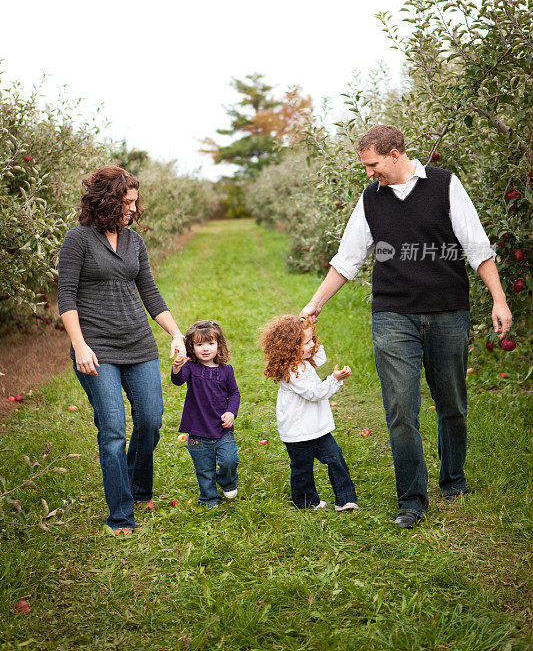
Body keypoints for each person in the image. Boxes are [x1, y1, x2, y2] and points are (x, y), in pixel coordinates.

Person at [300, 125, 512, 528]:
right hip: (393, 315)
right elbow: (347, 260)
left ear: (395, 155)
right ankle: (412, 500)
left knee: (451, 402)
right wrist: (313, 305)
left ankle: (453, 480)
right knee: (400, 408)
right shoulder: (370, 200)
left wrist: (499, 299)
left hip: (448, 312)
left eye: (373, 165)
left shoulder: (445, 185)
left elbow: (477, 248)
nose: (369, 173)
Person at [58, 166, 186, 537]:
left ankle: (138, 485)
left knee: (151, 420)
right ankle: (120, 514)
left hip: (139, 344)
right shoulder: (78, 240)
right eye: (127, 202)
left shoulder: (134, 242)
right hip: (96, 348)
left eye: (134, 202)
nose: (133, 209)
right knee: (112, 429)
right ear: (108, 201)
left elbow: (150, 292)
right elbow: (66, 298)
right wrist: (79, 345)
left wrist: (176, 333)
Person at [260, 314, 357, 511]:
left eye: (312, 340)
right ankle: (305, 501)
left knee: (335, 458)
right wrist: (334, 379)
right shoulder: (292, 372)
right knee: (302, 468)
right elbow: (314, 393)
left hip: (317, 428)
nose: (312, 345)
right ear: (291, 347)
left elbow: (320, 357)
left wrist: (309, 328)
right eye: (306, 342)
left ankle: (345, 498)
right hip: (298, 432)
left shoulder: (302, 362)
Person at [171, 320, 240, 508]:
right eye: (199, 344)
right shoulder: (190, 368)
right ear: (192, 348)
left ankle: (226, 481)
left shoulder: (226, 371)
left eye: (210, 343)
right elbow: (177, 380)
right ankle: (210, 498)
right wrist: (177, 366)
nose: (206, 349)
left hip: (222, 428)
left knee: (229, 460)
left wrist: (231, 412)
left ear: (219, 345)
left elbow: (234, 393)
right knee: (204, 468)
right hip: (198, 429)